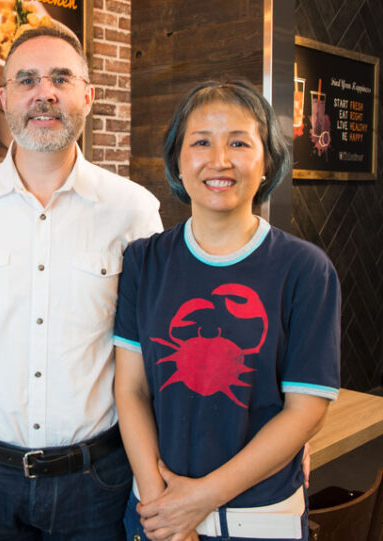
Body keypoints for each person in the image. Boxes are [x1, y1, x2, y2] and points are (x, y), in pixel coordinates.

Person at [0, 26, 163, 540]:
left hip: (99, 481)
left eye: (61, 78)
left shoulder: (132, 209)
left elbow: (162, 347)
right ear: (4, 99)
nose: (44, 92)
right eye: (26, 80)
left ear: (87, 96)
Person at [113, 79, 341, 541]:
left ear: (267, 160)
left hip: (259, 518)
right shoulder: (143, 260)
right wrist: (163, 510)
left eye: (239, 142)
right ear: (178, 160)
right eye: (200, 142)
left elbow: (306, 410)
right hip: (154, 515)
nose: (219, 160)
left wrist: (199, 499)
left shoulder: (305, 269)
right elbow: (130, 389)